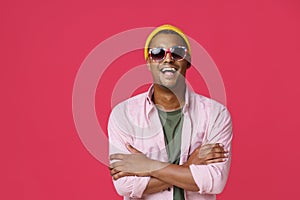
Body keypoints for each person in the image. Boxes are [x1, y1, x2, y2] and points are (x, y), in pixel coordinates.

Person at [108, 24, 233, 200]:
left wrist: (147, 166)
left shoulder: (215, 114)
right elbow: (125, 185)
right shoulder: (123, 115)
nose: (168, 59)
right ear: (149, 62)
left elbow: (214, 181)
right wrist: (189, 166)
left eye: (177, 53)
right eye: (158, 53)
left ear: (187, 61)